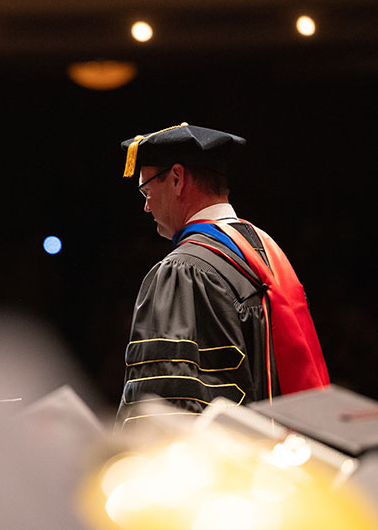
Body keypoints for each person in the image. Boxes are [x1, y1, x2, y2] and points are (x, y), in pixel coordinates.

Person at [116, 123, 329, 429]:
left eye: (146, 190)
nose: (146, 206)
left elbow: (165, 410)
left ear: (177, 178)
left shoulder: (183, 271)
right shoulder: (265, 252)